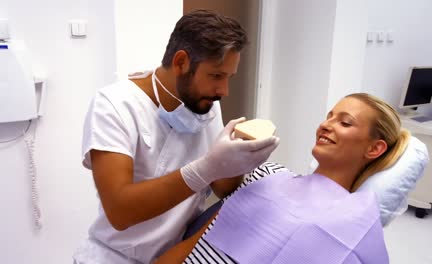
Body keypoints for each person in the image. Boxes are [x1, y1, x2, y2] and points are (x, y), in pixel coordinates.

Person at [73, 9, 280, 264]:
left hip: (174, 256)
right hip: (112, 257)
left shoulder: (206, 102)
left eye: (229, 77)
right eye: (216, 75)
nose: (223, 90)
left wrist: (240, 160)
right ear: (181, 62)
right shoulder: (115, 105)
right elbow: (120, 212)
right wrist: (205, 169)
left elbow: (223, 186)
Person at [155, 93, 411, 263]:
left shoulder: (354, 228)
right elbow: (198, 239)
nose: (325, 125)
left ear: (374, 149)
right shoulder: (269, 174)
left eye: (345, 123)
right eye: (329, 116)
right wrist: (231, 155)